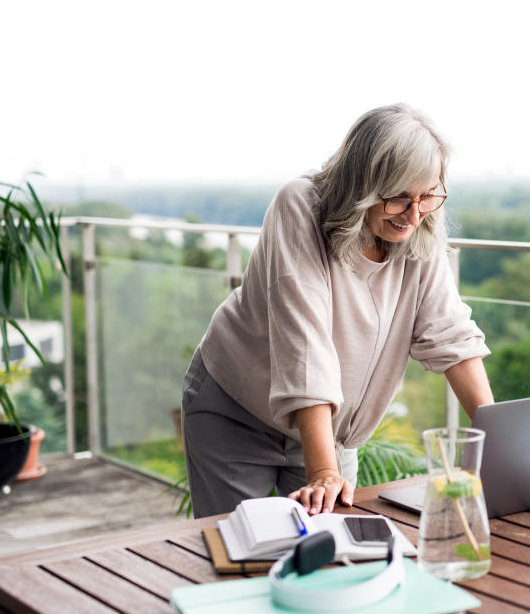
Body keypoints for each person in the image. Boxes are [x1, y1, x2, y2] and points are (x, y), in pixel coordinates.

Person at [181, 104, 494, 519]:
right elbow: (304, 343)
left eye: (428, 195)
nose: (415, 214)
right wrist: (324, 471)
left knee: (334, 553)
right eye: (399, 198)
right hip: (238, 414)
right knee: (247, 552)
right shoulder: (301, 206)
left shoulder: (420, 227)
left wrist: (500, 435)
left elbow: (449, 333)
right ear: (363, 184)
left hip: (334, 434)